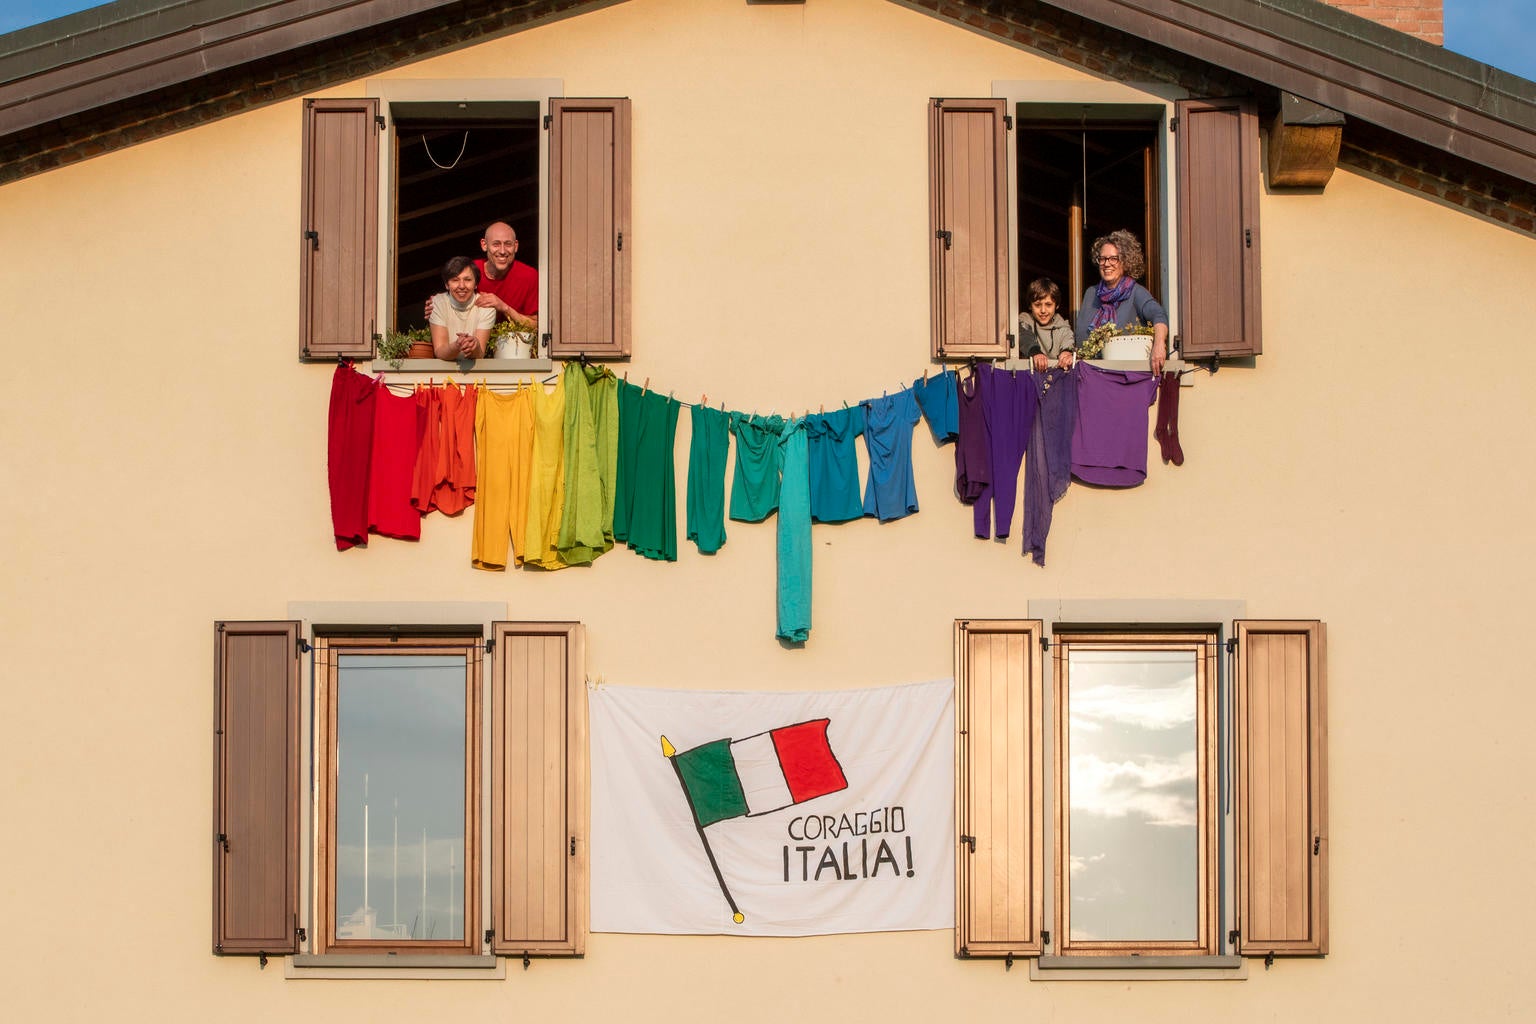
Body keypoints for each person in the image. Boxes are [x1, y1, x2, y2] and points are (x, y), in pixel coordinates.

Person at [1074, 229, 1168, 374]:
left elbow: (1159, 315)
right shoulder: (1090, 294)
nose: (1106, 264)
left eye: (1113, 259)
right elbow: (1079, 338)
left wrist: (1159, 344)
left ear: (1125, 262)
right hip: (1091, 375)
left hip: (1125, 377)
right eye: (1103, 259)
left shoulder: (1136, 292)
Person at [429, 256, 495, 360]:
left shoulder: (486, 306)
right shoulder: (438, 303)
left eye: (467, 280)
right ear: (447, 285)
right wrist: (457, 346)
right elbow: (439, 351)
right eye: (455, 280)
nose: (462, 286)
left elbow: (480, 354)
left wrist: (475, 345)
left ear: (476, 284)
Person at [1019, 277, 1074, 372]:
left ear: (1056, 305)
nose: (1043, 310)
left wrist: (1066, 353)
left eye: (1048, 305)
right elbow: (1024, 336)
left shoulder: (1063, 325)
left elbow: (1068, 342)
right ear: (1030, 306)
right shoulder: (1025, 319)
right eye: (1037, 305)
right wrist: (1035, 352)